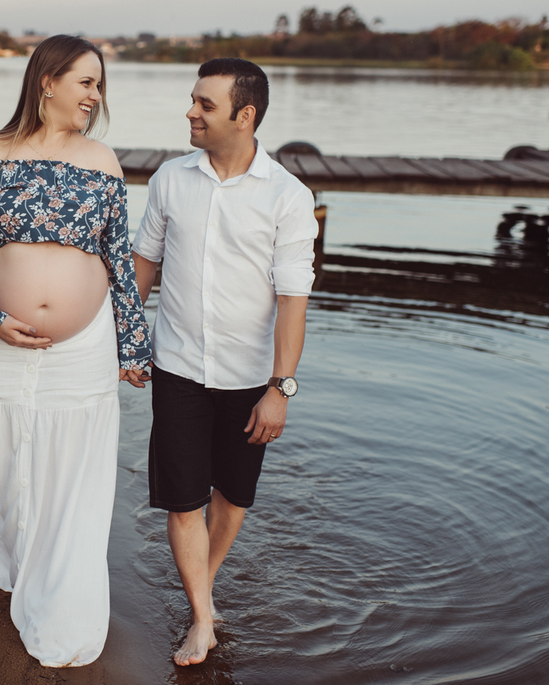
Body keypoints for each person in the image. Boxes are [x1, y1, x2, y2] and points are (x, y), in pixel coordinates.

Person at [0, 34, 151, 667]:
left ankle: (56, 587)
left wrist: (132, 345)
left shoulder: (104, 161)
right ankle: (0, 553)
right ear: (47, 81)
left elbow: (118, 260)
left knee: (69, 463)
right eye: (86, 82)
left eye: (99, 84)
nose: (95, 95)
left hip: (82, 345)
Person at [131, 58, 318, 666]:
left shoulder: (289, 198)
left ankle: (200, 593)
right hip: (178, 367)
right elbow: (144, 269)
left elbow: (293, 301)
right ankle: (203, 617)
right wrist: (126, 340)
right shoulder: (169, 180)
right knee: (184, 500)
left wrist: (280, 389)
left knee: (232, 498)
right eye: (192, 100)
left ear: (245, 115)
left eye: (204, 105)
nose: (190, 112)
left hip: (249, 379)